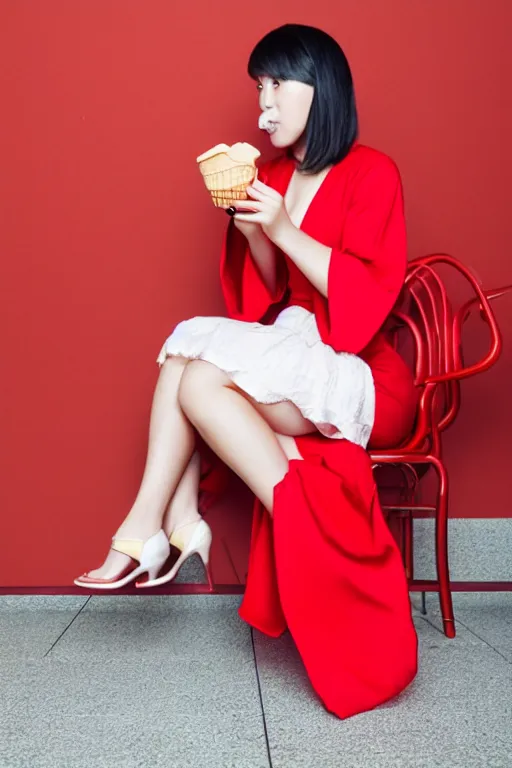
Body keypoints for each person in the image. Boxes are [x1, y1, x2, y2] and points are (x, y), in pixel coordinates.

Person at [75, 23, 419, 719]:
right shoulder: (277, 176)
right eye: (257, 87)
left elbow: (362, 306)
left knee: (187, 355)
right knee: (192, 369)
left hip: (358, 370)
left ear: (318, 88)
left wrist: (285, 229)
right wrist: (254, 233)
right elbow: (274, 298)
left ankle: (159, 522)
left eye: (275, 85)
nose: (262, 103)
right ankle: (165, 523)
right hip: (297, 346)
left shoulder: (373, 171)